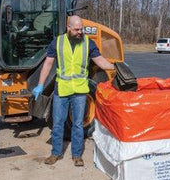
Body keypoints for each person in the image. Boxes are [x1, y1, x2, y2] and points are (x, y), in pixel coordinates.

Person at [32, 15, 114, 167]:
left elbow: (99, 60)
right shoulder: (58, 42)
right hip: (61, 90)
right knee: (57, 123)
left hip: (80, 91)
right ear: (68, 28)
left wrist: (113, 67)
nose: (80, 32)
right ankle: (55, 153)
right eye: (76, 29)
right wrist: (40, 84)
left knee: (77, 124)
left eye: (81, 29)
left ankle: (77, 155)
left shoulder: (88, 42)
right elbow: (48, 63)